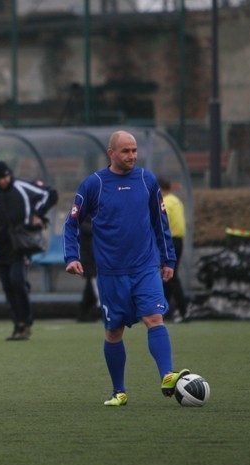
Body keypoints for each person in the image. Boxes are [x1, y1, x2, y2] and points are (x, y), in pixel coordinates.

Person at [62, 130, 190, 407]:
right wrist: (71, 257)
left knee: (154, 318)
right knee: (114, 332)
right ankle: (119, 391)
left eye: (134, 151)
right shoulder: (93, 184)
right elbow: (71, 223)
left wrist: (168, 260)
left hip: (146, 266)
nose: (131, 156)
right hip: (110, 273)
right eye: (125, 151)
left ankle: (167, 375)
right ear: (111, 153)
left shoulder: (147, 180)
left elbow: (160, 222)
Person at [0, 160, 58, 340]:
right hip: (1, 247)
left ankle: (25, 322)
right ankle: (17, 325)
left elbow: (51, 193)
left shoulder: (22, 187)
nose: (3, 181)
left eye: (5, 177)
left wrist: (39, 213)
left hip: (22, 245)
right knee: (8, 287)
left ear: (9, 174)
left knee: (17, 282)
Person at [158, 178, 188, 322]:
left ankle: (183, 311)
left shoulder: (165, 202)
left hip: (169, 242)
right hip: (179, 241)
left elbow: (161, 223)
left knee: (171, 276)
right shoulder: (176, 201)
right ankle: (166, 311)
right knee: (168, 277)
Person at [75, 219, 100, 322]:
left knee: (90, 288)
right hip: (90, 260)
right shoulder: (83, 223)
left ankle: (83, 313)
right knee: (95, 285)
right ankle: (101, 310)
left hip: (92, 259)